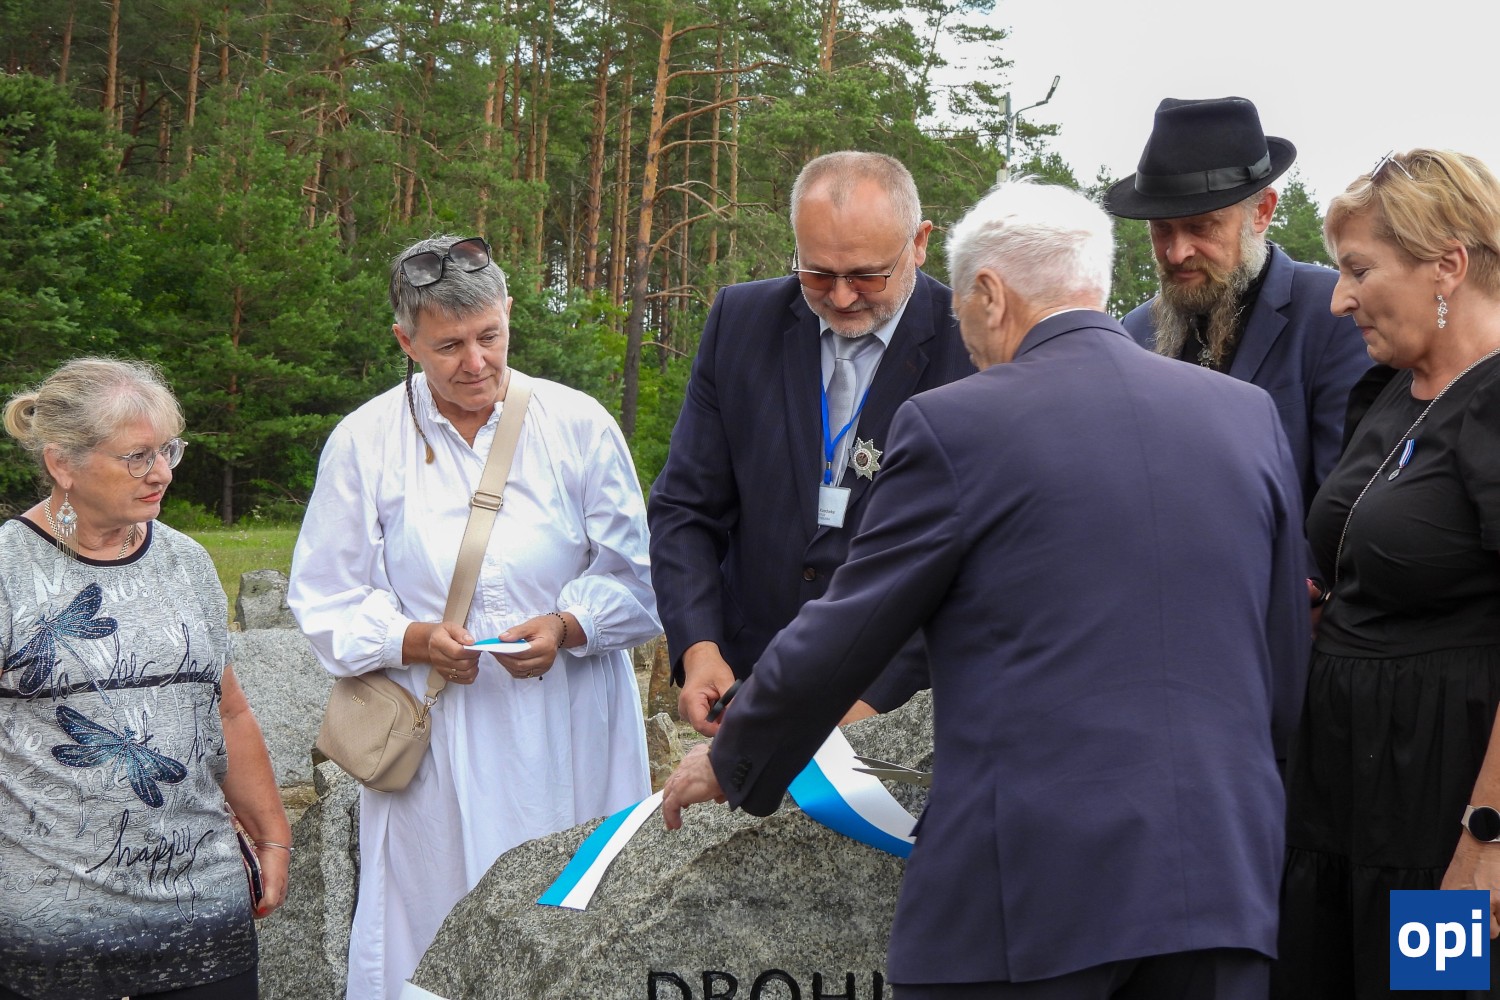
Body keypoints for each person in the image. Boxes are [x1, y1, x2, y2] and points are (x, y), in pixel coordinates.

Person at [662, 181, 1309, 999]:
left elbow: (848, 626)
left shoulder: (958, 423)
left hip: (1034, 893)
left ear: (990, 294)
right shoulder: (1247, 416)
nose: (962, 338)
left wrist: (735, 756)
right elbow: (1282, 663)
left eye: (963, 310)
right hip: (1220, 884)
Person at [287, 235, 659, 1000]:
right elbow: (323, 595)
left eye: (490, 336)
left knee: (571, 922)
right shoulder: (366, 441)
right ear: (406, 342)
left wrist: (569, 626)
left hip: (569, 729)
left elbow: (643, 579)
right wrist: (412, 639)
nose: (475, 361)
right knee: (436, 926)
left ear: (510, 314)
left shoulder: (577, 424)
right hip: (440, 741)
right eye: (449, 346)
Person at [648, 150, 975, 736]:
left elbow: (976, 559)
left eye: (867, 276)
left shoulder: (976, 347)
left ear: (920, 242)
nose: (842, 298)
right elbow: (685, 508)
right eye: (818, 274)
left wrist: (866, 705)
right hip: (750, 686)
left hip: (900, 709)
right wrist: (700, 648)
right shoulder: (740, 321)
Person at [1274, 149, 1500, 998]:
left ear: (1448, 264)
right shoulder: (1385, 394)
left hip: (1438, 817)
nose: (1340, 300)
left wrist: (1487, 839)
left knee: (1428, 993)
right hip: (1336, 797)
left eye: (1359, 270)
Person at [0, 358, 290, 1000]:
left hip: (203, 914)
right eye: (137, 456)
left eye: (167, 450)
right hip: (52, 931)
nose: (161, 472)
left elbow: (227, 710)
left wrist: (273, 836)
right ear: (62, 463)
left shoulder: (186, 561)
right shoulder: (7, 571)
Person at [1104, 96, 1370, 533]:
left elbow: (1346, 505)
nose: (1177, 252)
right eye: (1162, 229)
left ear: (1261, 212)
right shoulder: (1132, 335)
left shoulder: (1333, 314)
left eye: (1201, 227)